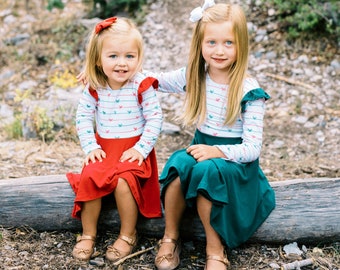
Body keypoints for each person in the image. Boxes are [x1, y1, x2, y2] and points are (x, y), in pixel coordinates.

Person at [147, 1, 276, 270]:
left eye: (229, 43)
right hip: (201, 150)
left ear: (241, 44)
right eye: (212, 42)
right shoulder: (195, 76)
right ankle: (170, 237)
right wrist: (106, 73)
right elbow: (154, 80)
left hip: (234, 166)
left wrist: (218, 152)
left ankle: (214, 248)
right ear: (200, 43)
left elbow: (252, 149)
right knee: (179, 165)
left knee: (209, 172)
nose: (219, 50)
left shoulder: (248, 91)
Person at [66, 16, 163, 262]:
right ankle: (88, 234)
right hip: (104, 148)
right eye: (113, 56)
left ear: (139, 58)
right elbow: (83, 117)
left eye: (130, 56)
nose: (122, 63)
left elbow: (155, 119)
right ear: (98, 59)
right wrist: (90, 147)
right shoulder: (96, 85)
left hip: (133, 150)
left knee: (123, 180)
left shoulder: (141, 85)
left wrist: (141, 149)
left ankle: (128, 234)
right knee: (90, 175)